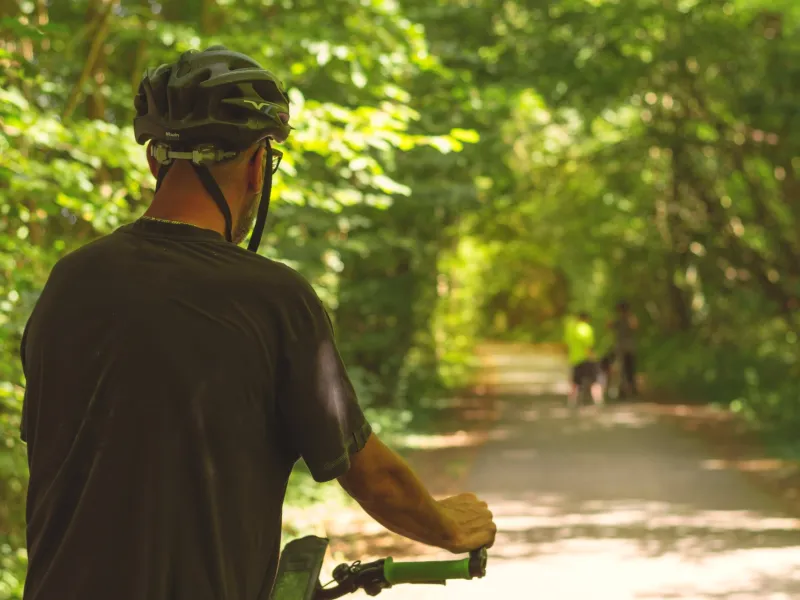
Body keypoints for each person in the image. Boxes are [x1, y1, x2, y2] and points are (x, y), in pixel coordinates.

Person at [18, 46, 496, 600]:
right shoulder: (274, 299)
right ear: (256, 164)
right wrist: (445, 523)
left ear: (155, 161)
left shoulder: (68, 283)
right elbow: (372, 477)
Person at [563, 311, 601, 407]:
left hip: (575, 359)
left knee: (575, 382)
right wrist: (593, 357)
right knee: (594, 381)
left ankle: (571, 402)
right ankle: (598, 401)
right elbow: (588, 346)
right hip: (586, 358)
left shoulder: (571, 329)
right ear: (587, 319)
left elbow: (567, 344)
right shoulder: (586, 328)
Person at [607, 300, 639, 398]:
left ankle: (629, 390)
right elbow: (609, 325)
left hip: (625, 348)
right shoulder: (620, 319)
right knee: (624, 370)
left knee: (627, 370)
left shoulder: (628, 319)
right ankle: (624, 390)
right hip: (625, 348)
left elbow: (635, 326)